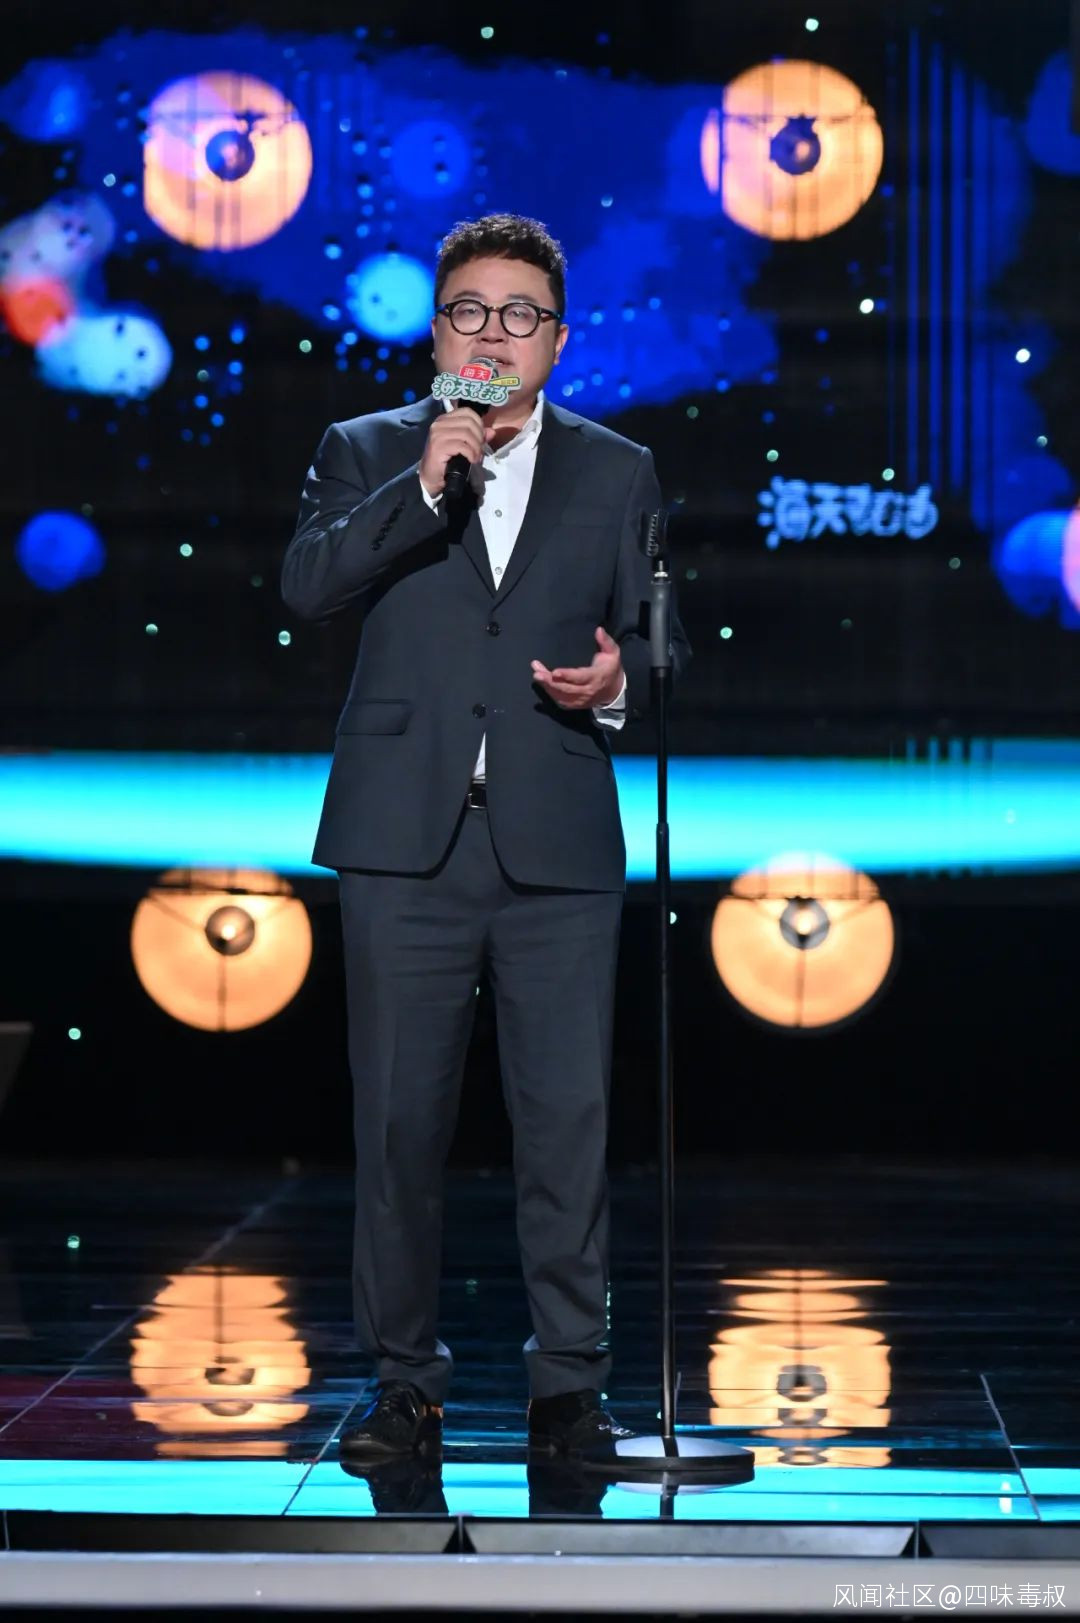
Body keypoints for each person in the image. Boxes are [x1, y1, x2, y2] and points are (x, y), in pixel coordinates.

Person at [281, 213, 689, 1464]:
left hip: (554, 840)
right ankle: (404, 1384)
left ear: (558, 340)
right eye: (470, 311)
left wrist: (616, 682)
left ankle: (569, 1388)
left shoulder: (617, 469)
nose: (493, 335)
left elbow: (661, 648)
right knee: (398, 1129)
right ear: (436, 332)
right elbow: (308, 587)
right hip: (402, 840)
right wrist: (423, 486)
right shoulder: (367, 450)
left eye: (520, 315)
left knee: (565, 1126)